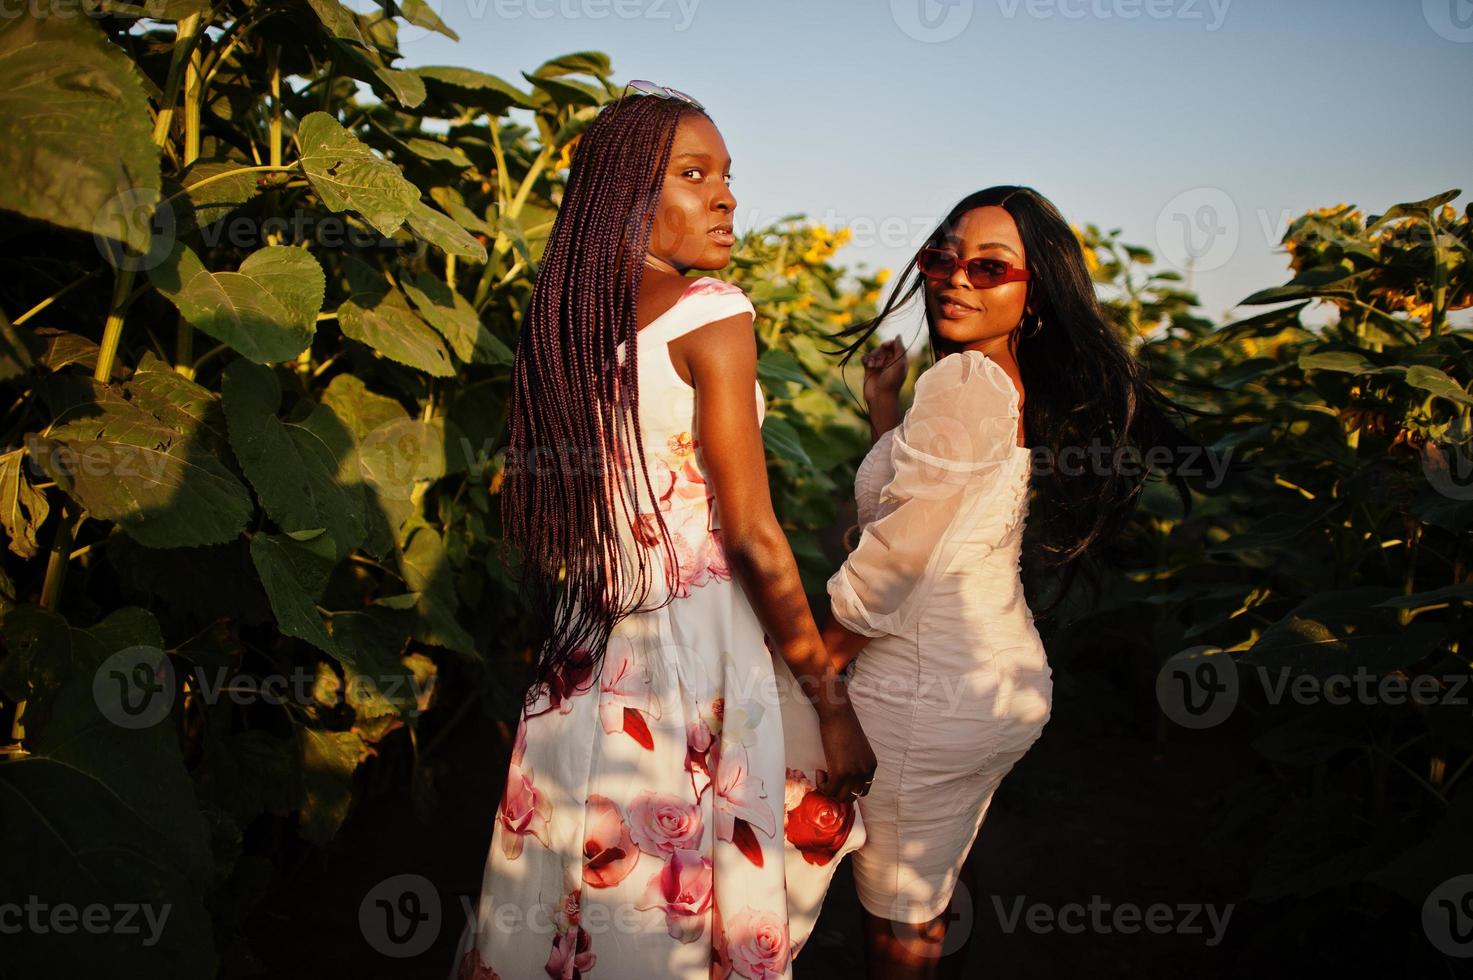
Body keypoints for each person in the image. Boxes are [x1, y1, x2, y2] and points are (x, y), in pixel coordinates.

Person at [454, 83, 875, 980]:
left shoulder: (570, 323)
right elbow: (756, 535)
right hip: (695, 654)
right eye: (693, 174)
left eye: (726, 175)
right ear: (628, 199)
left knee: (573, 893)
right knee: (671, 907)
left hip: (584, 650)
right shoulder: (710, 312)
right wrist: (831, 709)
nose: (725, 195)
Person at [821, 186, 1200, 978]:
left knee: (894, 924)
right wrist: (883, 409)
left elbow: (894, 562)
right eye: (942, 258)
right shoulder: (996, 383)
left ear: (1034, 294)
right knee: (932, 889)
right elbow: (930, 505)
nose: (955, 279)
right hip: (992, 684)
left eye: (989, 267)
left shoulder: (962, 386)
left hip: (925, 693)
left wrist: (814, 666)